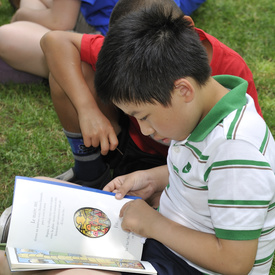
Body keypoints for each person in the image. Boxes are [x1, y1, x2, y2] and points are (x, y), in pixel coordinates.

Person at [1, 5, 274, 275]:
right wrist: (152, 178)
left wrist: (153, 224)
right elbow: (206, 172)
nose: (143, 130)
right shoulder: (202, 109)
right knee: (42, 193)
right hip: (164, 240)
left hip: (192, 265)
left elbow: (236, 263)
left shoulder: (236, 147)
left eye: (143, 116)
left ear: (183, 90)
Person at [40, 0, 263, 191]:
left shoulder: (231, 71)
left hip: (192, 167)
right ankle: (91, 175)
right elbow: (54, 41)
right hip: (130, 148)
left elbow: (243, 156)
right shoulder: (127, 53)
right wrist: (87, 109)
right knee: (72, 71)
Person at [0, 0, 119, 84]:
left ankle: (60, 74)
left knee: (4, 36)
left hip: (110, 53)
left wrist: (20, 15)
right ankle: (46, 67)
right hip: (111, 32)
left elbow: (60, 22)